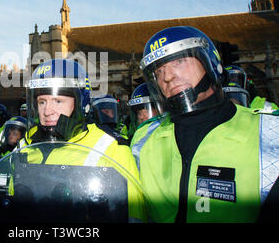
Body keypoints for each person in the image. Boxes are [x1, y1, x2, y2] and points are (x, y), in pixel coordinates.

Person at [137, 25, 278, 223]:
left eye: (179, 61)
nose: (167, 76)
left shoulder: (270, 133)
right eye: (159, 71)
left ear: (209, 62)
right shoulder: (143, 140)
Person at [18, 58, 147, 222]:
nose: (47, 111)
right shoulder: (25, 145)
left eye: (58, 101)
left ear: (81, 103)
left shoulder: (111, 148)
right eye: (42, 101)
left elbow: (133, 216)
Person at [128, 83, 163, 163]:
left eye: (146, 111)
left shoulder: (172, 132)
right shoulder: (138, 135)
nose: (141, 117)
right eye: (138, 113)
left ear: (160, 108)